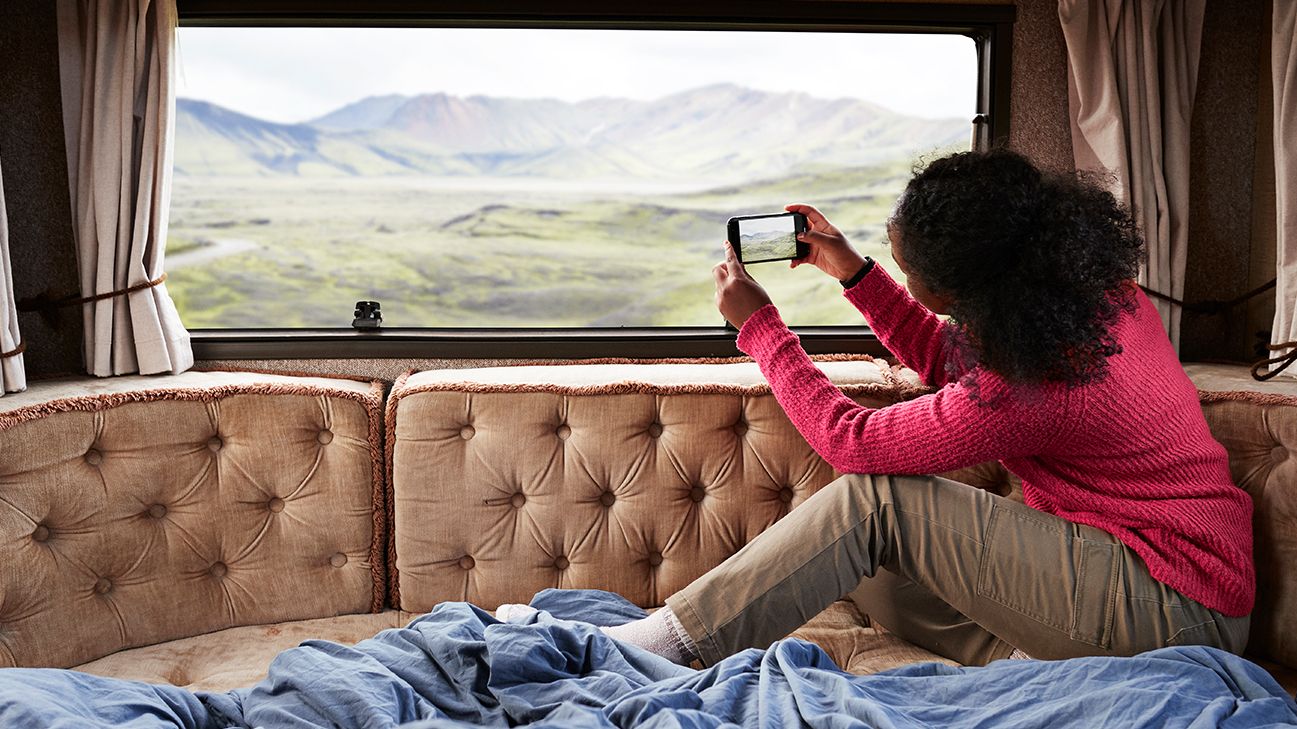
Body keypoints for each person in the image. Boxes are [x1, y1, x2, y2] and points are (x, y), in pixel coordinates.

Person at [596, 148, 1254, 667]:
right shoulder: (1089, 297)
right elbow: (953, 357)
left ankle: (659, 643)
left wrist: (761, 329)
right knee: (858, 566)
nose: (898, 264)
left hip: (1172, 604)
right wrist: (853, 272)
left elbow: (850, 442)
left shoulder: (1042, 381)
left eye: (906, 265)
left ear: (962, 288)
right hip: (1124, 577)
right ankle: (1039, 665)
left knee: (876, 503)